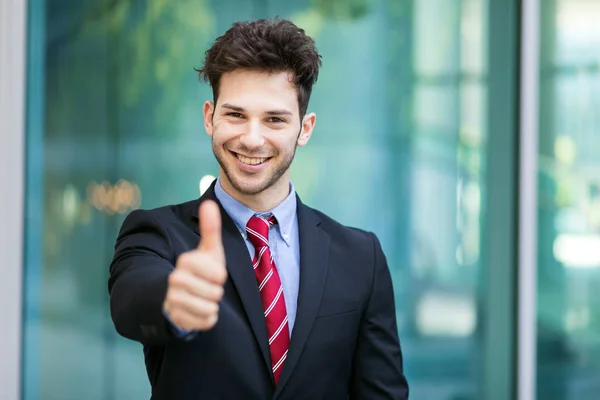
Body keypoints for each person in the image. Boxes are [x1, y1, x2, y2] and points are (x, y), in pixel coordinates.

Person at [108, 18, 409, 400]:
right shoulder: (158, 233)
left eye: (274, 119)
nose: (252, 139)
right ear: (209, 117)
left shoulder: (360, 257)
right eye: (235, 114)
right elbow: (132, 299)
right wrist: (172, 300)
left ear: (305, 128)